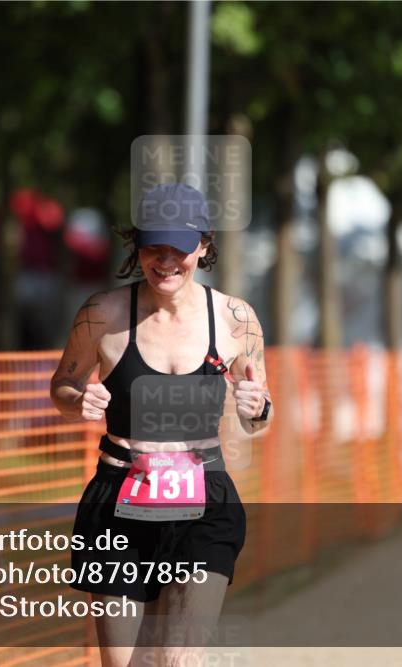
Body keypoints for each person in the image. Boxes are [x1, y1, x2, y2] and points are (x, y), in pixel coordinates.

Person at [50, 184, 271, 666]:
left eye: (180, 248)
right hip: (119, 499)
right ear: (137, 246)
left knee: (177, 661)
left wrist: (256, 408)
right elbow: (62, 385)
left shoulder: (236, 320)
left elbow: (259, 415)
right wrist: (77, 398)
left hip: (203, 501)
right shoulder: (102, 314)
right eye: (154, 246)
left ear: (205, 246)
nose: (166, 261)